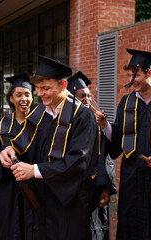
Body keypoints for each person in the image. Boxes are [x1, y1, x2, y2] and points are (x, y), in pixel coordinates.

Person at [0, 55, 99, 240]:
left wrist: (34, 170)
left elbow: (79, 162)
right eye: (37, 88)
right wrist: (9, 149)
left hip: (67, 203)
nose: (40, 93)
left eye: (46, 88)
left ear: (62, 85)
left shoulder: (82, 117)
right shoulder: (39, 112)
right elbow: (21, 141)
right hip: (39, 201)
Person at [96, 48, 151, 240]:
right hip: (132, 177)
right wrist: (105, 125)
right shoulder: (126, 102)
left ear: (150, 73)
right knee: (131, 226)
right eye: (130, 75)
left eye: (136, 75)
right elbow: (118, 140)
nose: (132, 80)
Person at [67, 71, 117, 240]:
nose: (87, 99)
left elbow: (107, 157)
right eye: (82, 96)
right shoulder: (63, 125)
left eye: (88, 95)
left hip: (95, 189)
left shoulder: (97, 125)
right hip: (72, 192)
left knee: (96, 231)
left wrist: (105, 187)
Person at [0, 73, 34, 240]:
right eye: (18, 94)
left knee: (33, 228)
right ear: (11, 99)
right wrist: (2, 162)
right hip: (8, 187)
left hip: (34, 186)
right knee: (9, 228)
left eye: (27, 94)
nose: (24, 99)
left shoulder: (40, 124)